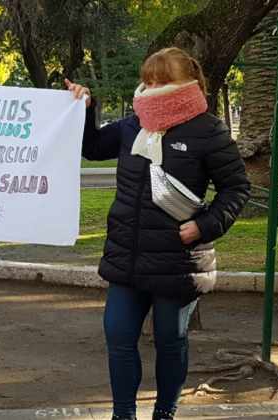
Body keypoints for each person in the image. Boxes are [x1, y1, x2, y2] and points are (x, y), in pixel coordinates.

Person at [70, 47, 251, 420]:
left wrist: (204, 226)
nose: (151, 88)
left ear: (187, 82)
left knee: (171, 342)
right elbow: (91, 147)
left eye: (161, 80)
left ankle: (165, 412)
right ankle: (123, 415)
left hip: (177, 260)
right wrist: (85, 108)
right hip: (127, 256)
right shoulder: (133, 124)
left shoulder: (208, 130)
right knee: (118, 338)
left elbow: (237, 189)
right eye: (148, 79)